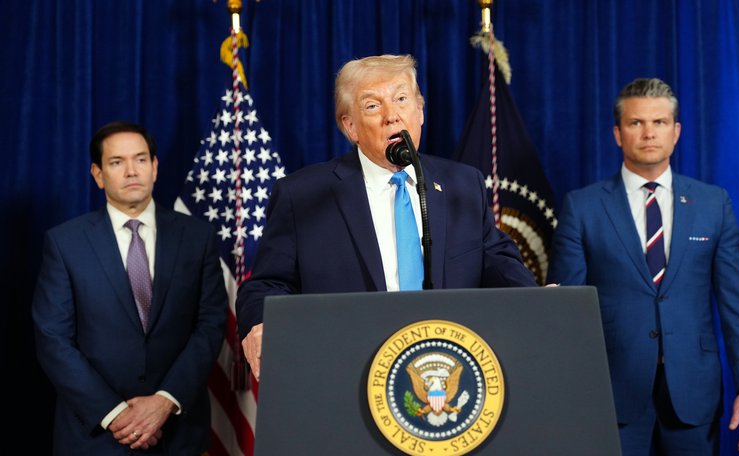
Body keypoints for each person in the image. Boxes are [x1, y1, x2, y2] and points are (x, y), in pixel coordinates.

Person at [236, 54, 536, 379]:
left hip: (448, 372)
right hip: (348, 372)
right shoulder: (303, 196)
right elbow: (266, 283)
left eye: (402, 99)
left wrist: (536, 301)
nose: (392, 116)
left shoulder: (462, 184)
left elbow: (497, 261)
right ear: (350, 126)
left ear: (420, 111)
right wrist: (262, 322)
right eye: (372, 106)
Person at [548, 78, 739, 455]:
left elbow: (738, 305)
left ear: (676, 131)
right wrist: (569, 392)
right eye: (636, 123)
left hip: (693, 394)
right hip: (612, 394)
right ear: (618, 133)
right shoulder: (582, 208)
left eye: (660, 122)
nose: (648, 133)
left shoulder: (713, 204)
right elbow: (567, 313)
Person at [32, 121, 228, 454]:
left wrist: (165, 402)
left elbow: (210, 326)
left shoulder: (198, 238)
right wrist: (117, 415)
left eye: (140, 159)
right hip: (95, 436)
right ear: (98, 174)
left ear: (154, 167)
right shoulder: (65, 243)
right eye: (116, 162)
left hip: (177, 434)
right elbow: (53, 339)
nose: (131, 171)